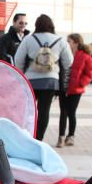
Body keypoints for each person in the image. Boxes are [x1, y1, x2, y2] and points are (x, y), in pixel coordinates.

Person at [14, 14, 73, 142]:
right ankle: (38, 139)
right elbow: (68, 61)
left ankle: (26, 135)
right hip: (51, 81)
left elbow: (18, 60)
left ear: (36, 25)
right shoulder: (60, 40)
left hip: (30, 80)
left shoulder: (29, 39)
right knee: (44, 111)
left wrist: (23, 72)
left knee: (28, 110)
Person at [57, 33, 92, 148]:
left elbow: (90, 73)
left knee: (71, 113)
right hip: (63, 88)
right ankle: (61, 137)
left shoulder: (85, 56)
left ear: (76, 43)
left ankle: (71, 136)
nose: (67, 43)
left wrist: (81, 83)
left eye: (69, 41)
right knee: (63, 113)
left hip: (76, 90)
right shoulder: (63, 54)